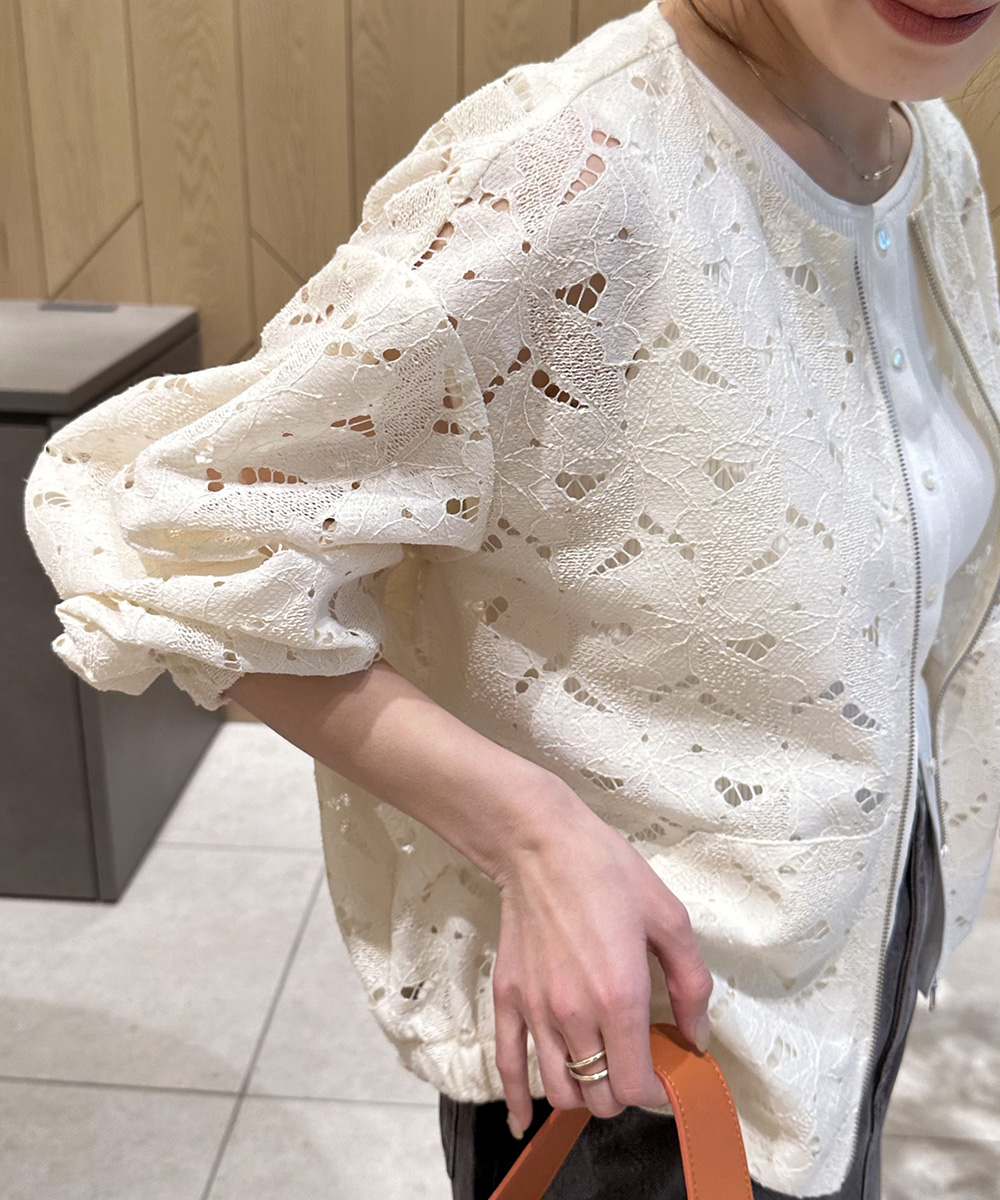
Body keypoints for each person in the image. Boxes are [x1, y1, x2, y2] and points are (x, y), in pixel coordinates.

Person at [21, 0, 1000, 1196]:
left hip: (858, 948)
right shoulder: (573, 174)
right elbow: (163, 523)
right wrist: (530, 831)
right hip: (639, 1041)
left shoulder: (924, 149)